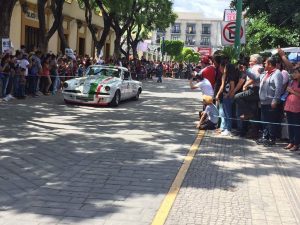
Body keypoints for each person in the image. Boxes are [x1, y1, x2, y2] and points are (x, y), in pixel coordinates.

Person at [244, 57, 283, 146]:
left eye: (265, 63)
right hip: (263, 102)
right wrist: (246, 70)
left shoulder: (277, 74)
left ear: (269, 64)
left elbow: (278, 88)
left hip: (271, 102)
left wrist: (275, 100)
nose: (264, 65)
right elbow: (255, 78)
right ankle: (265, 137)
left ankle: (271, 139)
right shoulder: (265, 73)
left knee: (271, 121)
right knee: (264, 121)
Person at [283, 66, 300, 151]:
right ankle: (291, 142)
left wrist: (292, 91)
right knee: (290, 125)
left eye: (296, 72)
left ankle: (296, 144)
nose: (293, 74)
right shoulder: (292, 81)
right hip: (289, 105)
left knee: (296, 126)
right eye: (293, 73)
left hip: (297, 107)